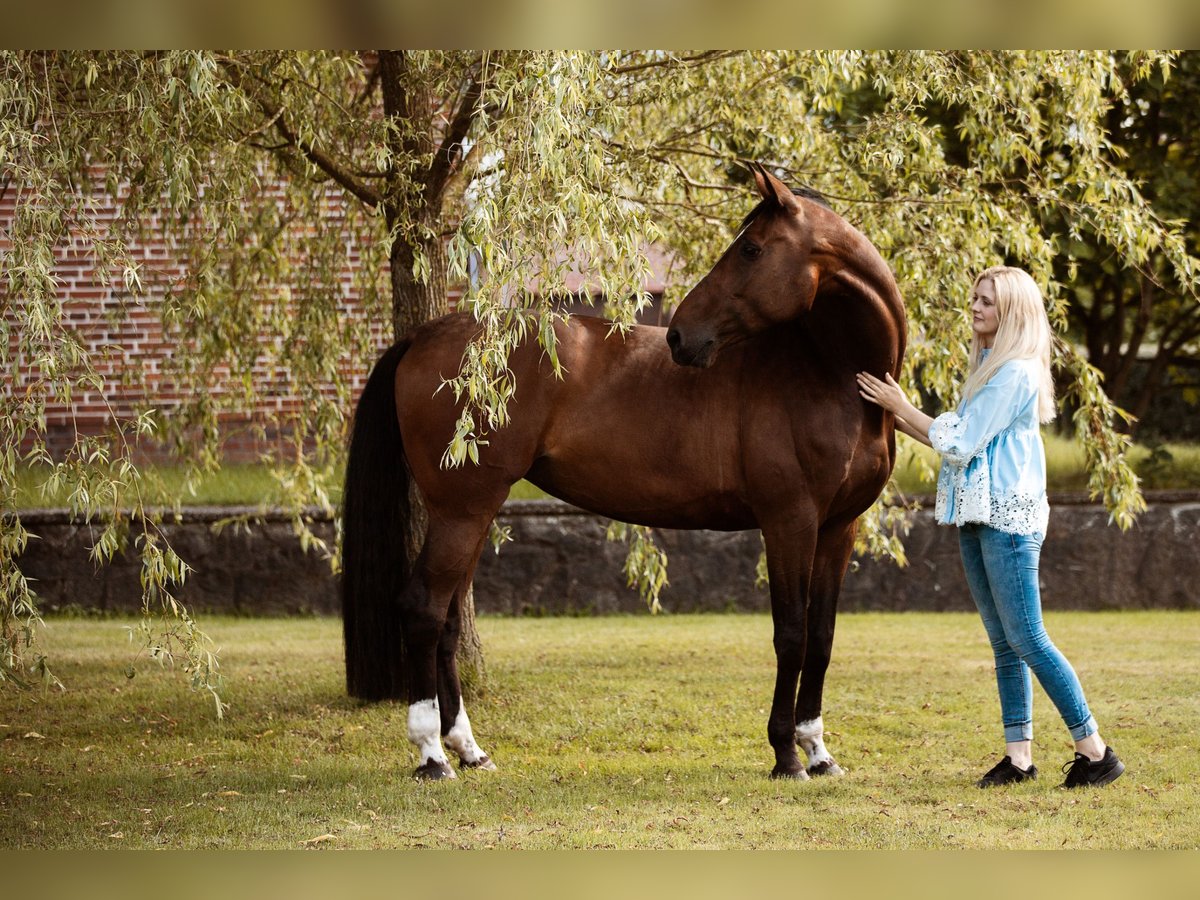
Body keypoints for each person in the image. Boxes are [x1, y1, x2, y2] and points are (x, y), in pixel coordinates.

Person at [856, 265, 1125, 789]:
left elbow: (961, 441)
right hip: (979, 515)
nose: (975, 308)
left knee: (1028, 637)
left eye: (987, 302)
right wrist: (891, 411)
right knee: (1005, 643)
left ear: (1013, 313)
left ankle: (1094, 751)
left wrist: (901, 405)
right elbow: (949, 441)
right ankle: (1019, 758)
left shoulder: (1016, 373)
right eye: (975, 298)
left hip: (1009, 520)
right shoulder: (988, 368)